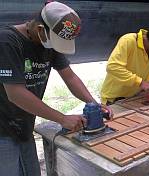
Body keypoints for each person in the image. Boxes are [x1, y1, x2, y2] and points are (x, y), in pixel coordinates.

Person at [0, 2, 110, 175]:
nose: (54, 46)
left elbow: (70, 77)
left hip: (23, 122)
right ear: (40, 28)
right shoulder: (7, 41)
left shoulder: (49, 42)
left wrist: (93, 103)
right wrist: (62, 118)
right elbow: (15, 93)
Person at [100, 21, 149, 105]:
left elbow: (148, 73)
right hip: (114, 99)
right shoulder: (128, 41)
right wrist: (140, 83)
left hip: (133, 97)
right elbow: (113, 67)